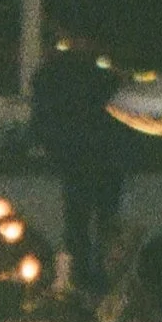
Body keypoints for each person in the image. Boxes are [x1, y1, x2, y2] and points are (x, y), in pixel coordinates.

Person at [27, 29, 127, 286]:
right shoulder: (60, 73)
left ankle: (98, 279)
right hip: (81, 159)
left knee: (100, 225)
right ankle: (79, 279)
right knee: (79, 225)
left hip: (102, 159)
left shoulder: (98, 75)